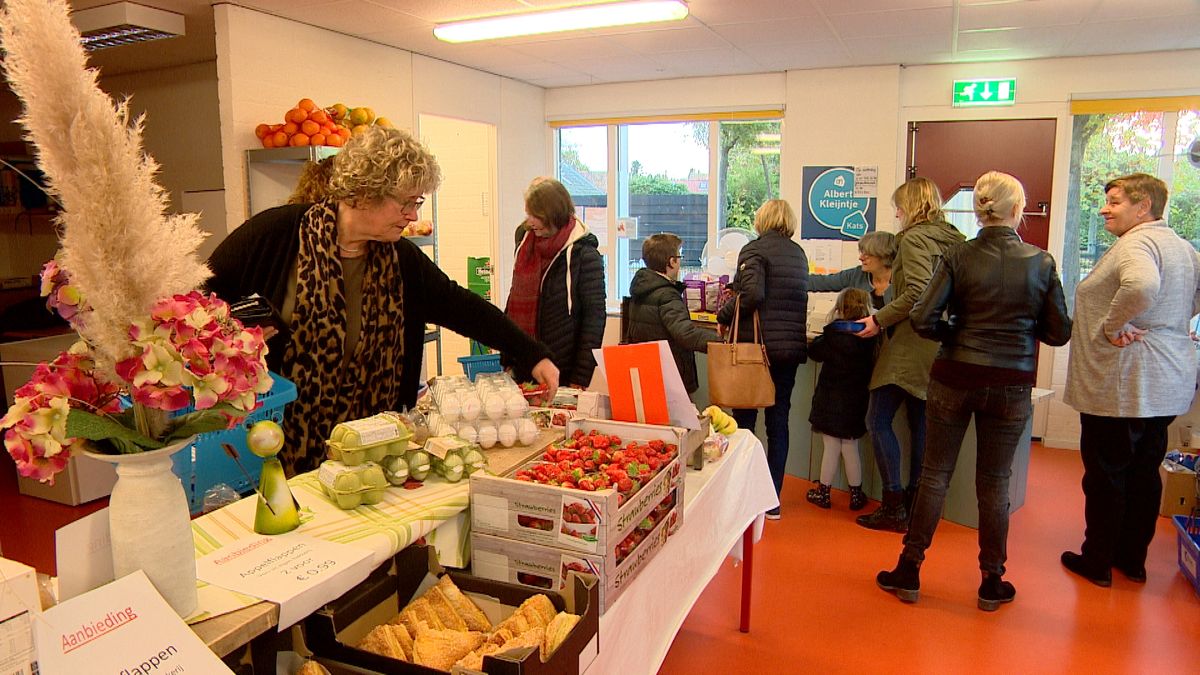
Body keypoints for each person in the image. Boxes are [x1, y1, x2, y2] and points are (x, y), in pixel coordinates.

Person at [207, 126, 559, 475]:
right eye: (407, 202)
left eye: (417, 202)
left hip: (372, 455)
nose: (414, 215)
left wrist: (531, 353)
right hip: (274, 448)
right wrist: (236, 336)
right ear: (364, 193)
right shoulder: (276, 235)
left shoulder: (401, 260)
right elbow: (199, 307)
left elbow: (463, 307)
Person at [875, 171, 1072, 611]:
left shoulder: (958, 256)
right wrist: (1021, 333)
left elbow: (922, 318)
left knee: (935, 474)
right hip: (1011, 384)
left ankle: (909, 569)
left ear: (980, 210)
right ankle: (991, 580)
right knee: (995, 483)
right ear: (1017, 210)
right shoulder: (1041, 263)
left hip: (955, 376)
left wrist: (957, 332)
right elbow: (1060, 332)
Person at [1061, 173, 1200, 587]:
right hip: (1165, 382)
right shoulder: (1182, 248)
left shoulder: (1137, 244)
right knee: (1143, 473)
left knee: (1106, 474)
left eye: (1115, 201)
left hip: (1125, 383)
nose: (1104, 208)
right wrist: (1174, 320)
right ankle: (1132, 560)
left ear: (1143, 207)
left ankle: (1098, 561)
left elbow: (1141, 285)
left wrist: (1112, 325)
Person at [855, 177, 965, 532]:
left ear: (912, 206)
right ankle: (919, 504)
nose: (897, 214)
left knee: (877, 419)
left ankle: (893, 504)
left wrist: (878, 319)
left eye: (899, 207)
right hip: (941, 344)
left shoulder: (913, 239)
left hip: (912, 342)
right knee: (921, 424)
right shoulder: (956, 239)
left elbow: (917, 293)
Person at [717, 199, 809, 519]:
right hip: (788, 351)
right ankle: (772, 500)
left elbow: (752, 295)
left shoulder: (754, 250)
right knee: (778, 422)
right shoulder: (798, 254)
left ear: (761, 220)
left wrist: (724, 314)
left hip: (756, 351)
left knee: (744, 422)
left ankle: (744, 492)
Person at [505, 178, 606, 388]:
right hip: (521, 365)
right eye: (528, 214)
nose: (530, 222)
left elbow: (594, 319)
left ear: (553, 214)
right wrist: (507, 358)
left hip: (563, 373)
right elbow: (513, 299)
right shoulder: (525, 245)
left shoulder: (584, 255)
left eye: (536, 216)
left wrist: (580, 377)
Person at [806, 287, 876, 511]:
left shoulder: (832, 335)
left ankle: (824, 492)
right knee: (851, 446)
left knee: (831, 446)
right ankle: (856, 494)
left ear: (840, 308)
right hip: (856, 402)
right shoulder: (871, 338)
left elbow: (814, 352)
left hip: (830, 400)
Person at [625, 233, 719, 396]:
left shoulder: (641, 289)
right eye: (679, 257)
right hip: (670, 374)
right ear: (671, 261)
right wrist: (721, 341)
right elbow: (685, 334)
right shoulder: (667, 295)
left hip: (647, 371)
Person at [808, 231, 897, 310]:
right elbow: (823, 282)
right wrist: (799, 277)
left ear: (884, 256)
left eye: (867, 254)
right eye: (862, 253)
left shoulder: (902, 280)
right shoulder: (856, 275)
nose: (861, 258)